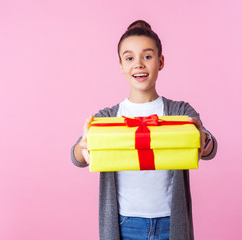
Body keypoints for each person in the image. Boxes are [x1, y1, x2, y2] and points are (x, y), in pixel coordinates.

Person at [71, 20, 218, 240]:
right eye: (129, 58)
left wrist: (202, 138)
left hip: (171, 223)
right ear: (121, 65)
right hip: (124, 224)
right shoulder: (107, 116)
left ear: (160, 62)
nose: (138, 64)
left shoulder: (179, 111)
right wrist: (83, 147)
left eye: (147, 56)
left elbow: (210, 148)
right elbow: (77, 157)